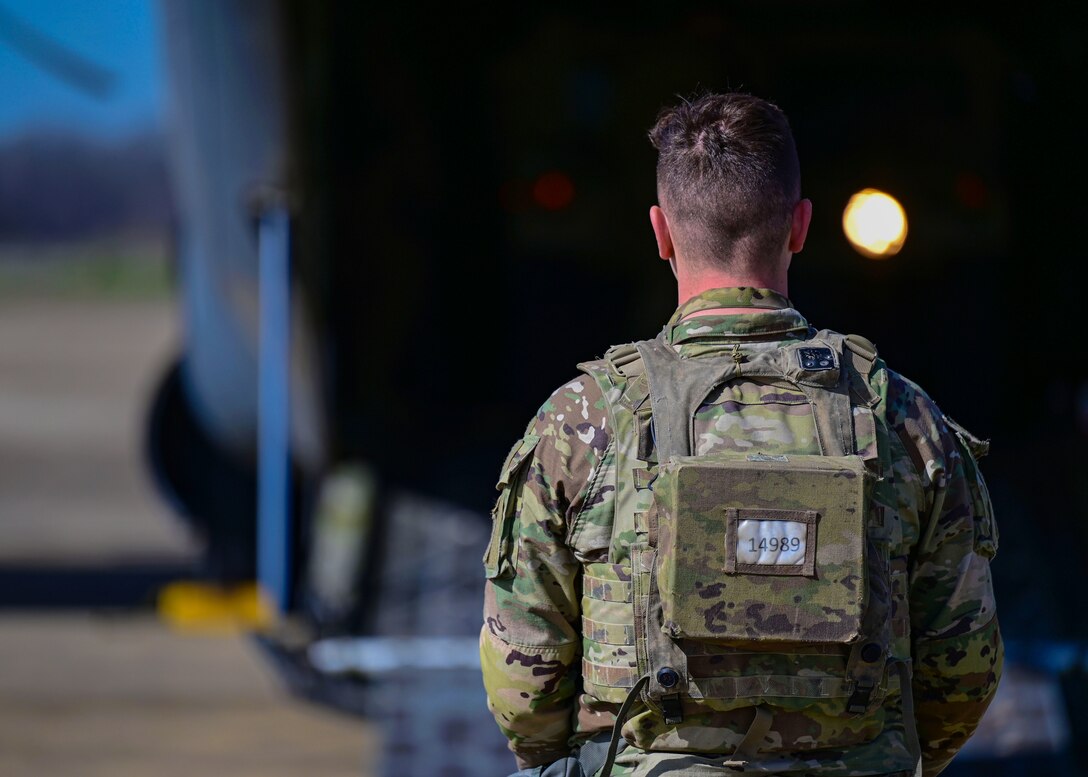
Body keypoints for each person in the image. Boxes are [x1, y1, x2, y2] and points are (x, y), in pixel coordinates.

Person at [480, 91, 1001, 777]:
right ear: (801, 226)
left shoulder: (582, 421)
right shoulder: (901, 418)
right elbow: (962, 672)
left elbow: (525, 688)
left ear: (661, 232)